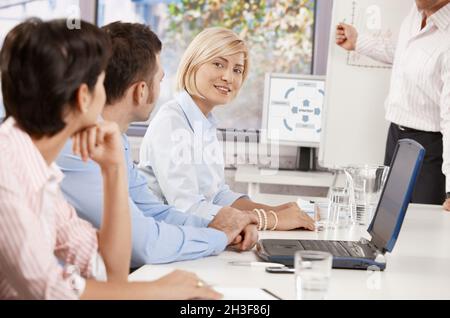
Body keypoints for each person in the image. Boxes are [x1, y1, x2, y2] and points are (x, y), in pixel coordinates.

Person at [0, 18, 220, 300]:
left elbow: (109, 270)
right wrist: (158, 290)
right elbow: (51, 291)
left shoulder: (40, 170)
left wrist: (113, 169)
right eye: (103, 82)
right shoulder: (9, 172)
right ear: (84, 98)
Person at [57, 22, 258, 269]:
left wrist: (219, 226)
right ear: (141, 91)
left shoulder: (115, 139)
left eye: (237, 69)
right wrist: (219, 235)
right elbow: (144, 244)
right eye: (160, 79)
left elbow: (154, 211)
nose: (228, 76)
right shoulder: (81, 145)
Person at [138, 27, 315, 231]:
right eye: (218, 64)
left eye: (237, 70)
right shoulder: (171, 122)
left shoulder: (203, 122)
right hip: (167, 238)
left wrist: (274, 210)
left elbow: (218, 195)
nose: (228, 77)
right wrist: (268, 219)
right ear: (193, 64)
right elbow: (188, 209)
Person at [335, 0, 450, 209]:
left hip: (431, 149)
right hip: (396, 137)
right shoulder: (416, 14)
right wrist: (358, 42)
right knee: (387, 221)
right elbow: (405, 55)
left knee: (425, 228)